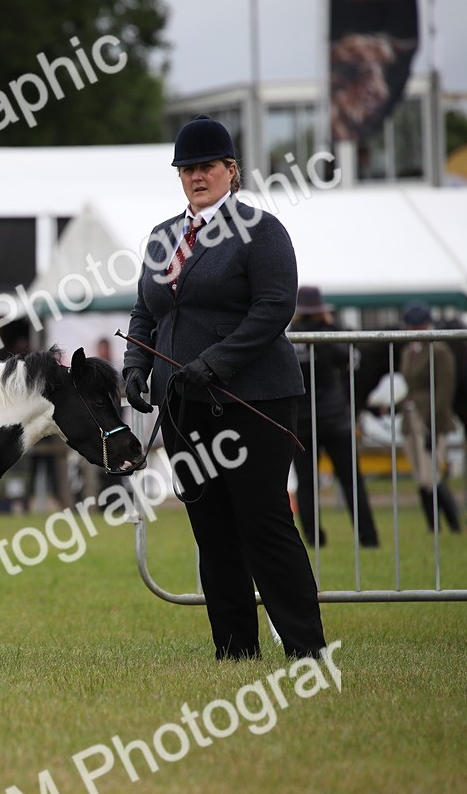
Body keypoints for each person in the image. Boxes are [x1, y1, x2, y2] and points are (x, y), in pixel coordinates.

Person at [122, 115, 326, 661]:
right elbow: (146, 311)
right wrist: (135, 366)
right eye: (186, 168)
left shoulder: (261, 231)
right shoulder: (164, 237)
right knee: (211, 530)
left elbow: (273, 309)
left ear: (231, 171)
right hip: (183, 405)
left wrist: (213, 364)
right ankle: (235, 649)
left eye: (206, 166)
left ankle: (307, 648)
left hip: (253, 400)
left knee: (263, 523)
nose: (195, 176)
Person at [291, 286, 380, 548]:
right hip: (335, 419)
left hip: (302, 422)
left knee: (306, 484)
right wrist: (333, 325)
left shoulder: (289, 339)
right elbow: (351, 357)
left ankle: (314, 539)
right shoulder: (329, 335)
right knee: (352, 481)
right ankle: (368, 538)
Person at [399, 300, 461, 534]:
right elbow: (410, 388)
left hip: (430, 419)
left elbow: (445, 390)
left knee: (431, 475)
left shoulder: (440, 350)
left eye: (418, 326)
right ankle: (432, 526)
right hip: (410, 418)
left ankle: (453, 523)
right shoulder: (407, 351)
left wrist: (434, 425)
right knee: (420, 476)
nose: (414, 331)